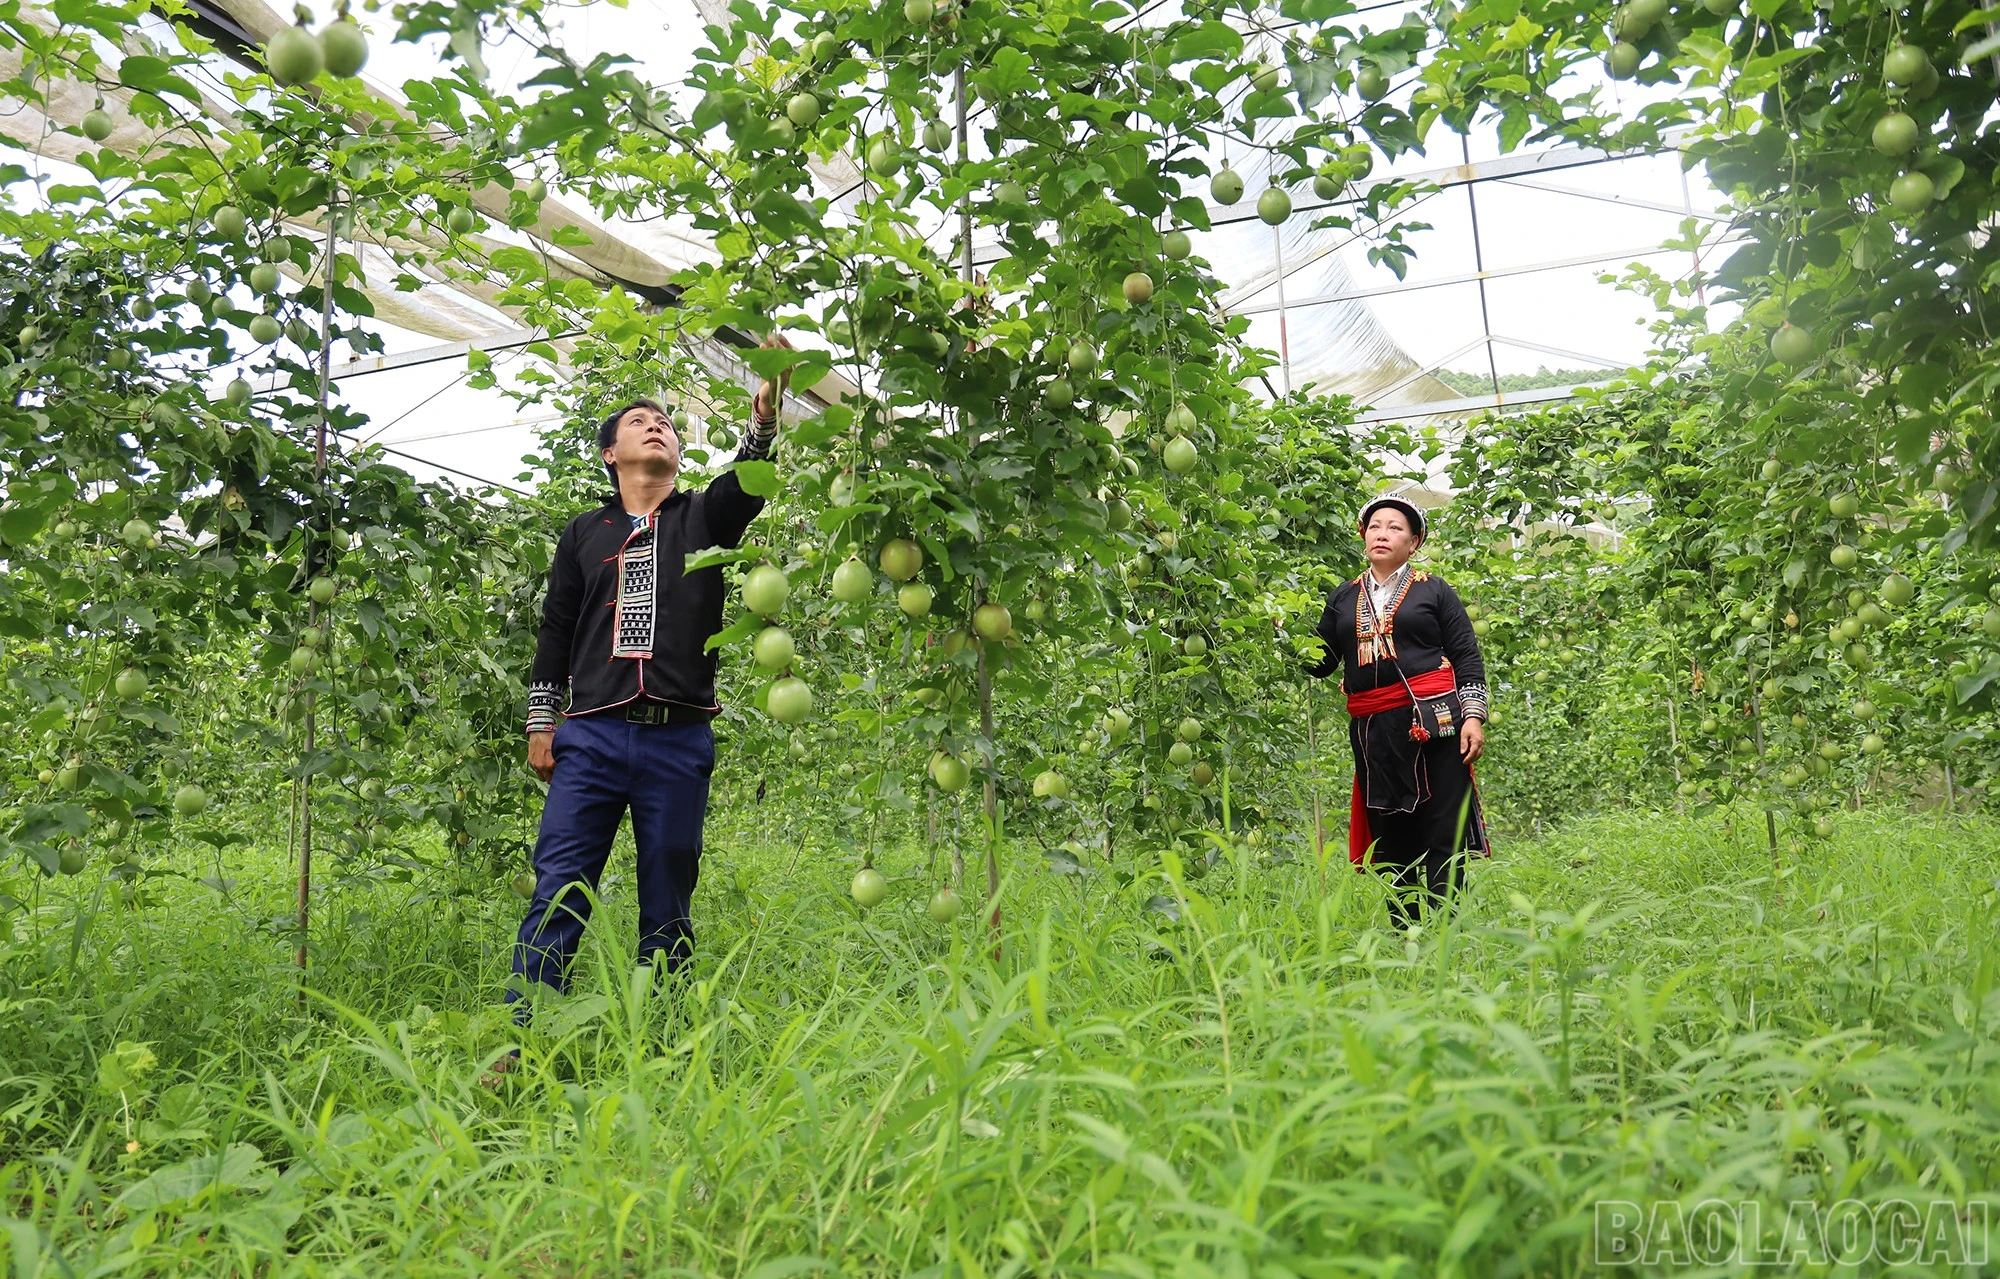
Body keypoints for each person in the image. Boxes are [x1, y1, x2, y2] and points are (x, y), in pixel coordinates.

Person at [501, 340, 793, 1053]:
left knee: (669, 893)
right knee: (561, 885)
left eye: (664, 422)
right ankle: (522, 1036)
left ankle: (662, 1039)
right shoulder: (584, 532)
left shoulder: (702, 518)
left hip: (676, 735)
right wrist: (542, 722)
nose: (656, 425)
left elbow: (746, 484)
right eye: (638, 422)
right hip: (592, 736)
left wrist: (764, 414)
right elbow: (557, 629)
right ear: (610, 454)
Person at [1304, 496, 1489, 927]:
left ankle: (1446, 933)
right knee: (1391, 831)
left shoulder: (1435, 590)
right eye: (1374, 526)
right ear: (1363, 536)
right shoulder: (1343, 598)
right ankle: (1405, 932)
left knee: (1443, 826)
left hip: (1438, 724)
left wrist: (1474, 716)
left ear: (1414, 541)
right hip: (1374, 731)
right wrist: (1279, 632)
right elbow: (1319, 663)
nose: (1382, 533)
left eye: (1394, 527)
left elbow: (1467, 656)